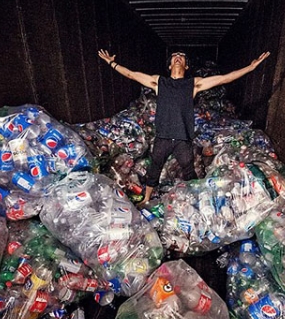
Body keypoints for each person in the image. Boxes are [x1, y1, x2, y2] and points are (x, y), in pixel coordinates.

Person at [97, 48, 270, 204]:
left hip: (183, 139)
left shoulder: (193, 84)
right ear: (170, 64)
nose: (177, 57)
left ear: (186, 66)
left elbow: (224, 79)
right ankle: (147, 198)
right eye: (174, 56)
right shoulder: (159, 82)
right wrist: (111, 63)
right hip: (162, 137)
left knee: (189, 172)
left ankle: (195, 200)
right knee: (154, 169)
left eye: (181, 56)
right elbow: (131, 74)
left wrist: (251, 67)